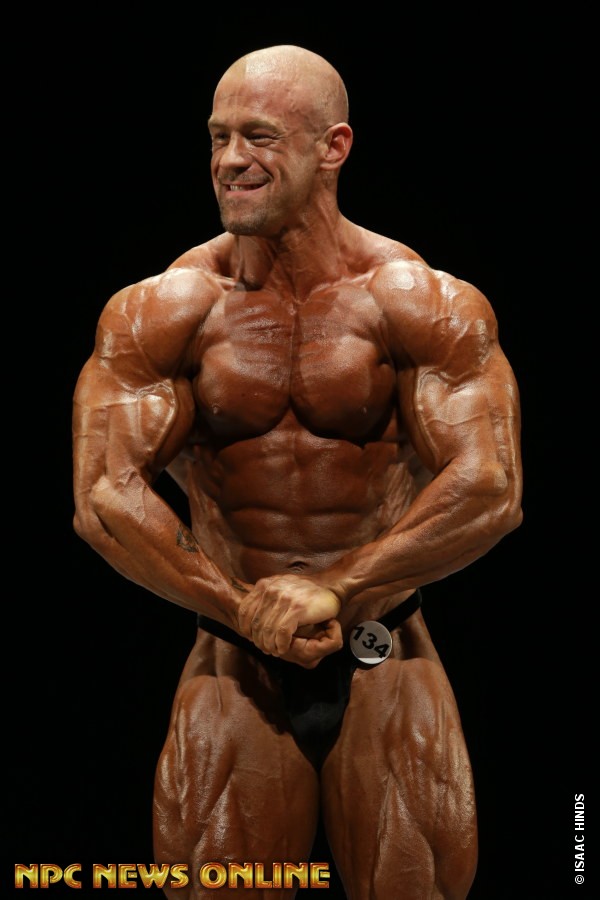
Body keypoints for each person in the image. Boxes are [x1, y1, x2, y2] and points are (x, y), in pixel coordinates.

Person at [72, 44, 523, 899]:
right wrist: (244, 608)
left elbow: (491, 487)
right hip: (234, 658)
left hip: (384, 646)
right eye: (218, 137)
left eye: (259, 136)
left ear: (333, 147)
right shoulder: (166, 310)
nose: (229, 159)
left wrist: (340, 588)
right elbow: (103, 498)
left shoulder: (417, 301)